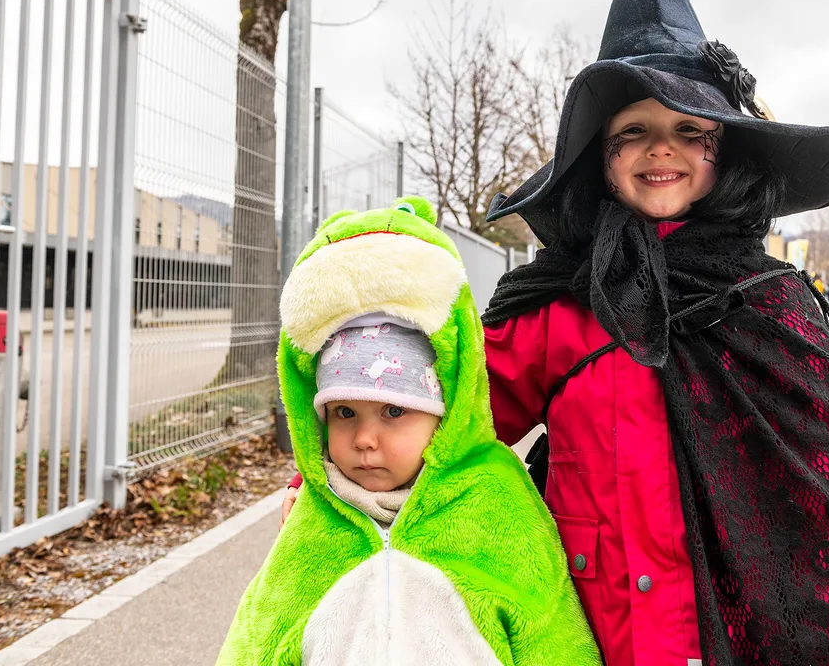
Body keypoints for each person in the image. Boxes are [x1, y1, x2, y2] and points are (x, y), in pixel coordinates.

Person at [285, 0, 829, 666]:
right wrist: (329, 484)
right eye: (633, 130)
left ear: (724, 151)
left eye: (688, 131)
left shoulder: (774, 307)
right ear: (599, 158)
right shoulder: (564, 307)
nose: (659, 149)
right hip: (596, 637)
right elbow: (453, 403)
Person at [226, 200, 600, 665]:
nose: (364, 438)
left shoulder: (497, 506)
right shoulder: (316, 522)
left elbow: (550, 633)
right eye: (343, 412)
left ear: (444, 413)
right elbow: (259, 637)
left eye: (393, 411)